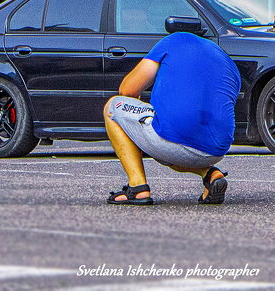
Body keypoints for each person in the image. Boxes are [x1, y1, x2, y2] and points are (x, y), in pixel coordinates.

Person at [103, 30, 240, 205]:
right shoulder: (230, 66)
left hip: (172, 141)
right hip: (216, 150)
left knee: (114, 105)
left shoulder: (173, 41)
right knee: (175, 141)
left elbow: (128, 90)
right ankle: (210, 174)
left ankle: (137, 188)